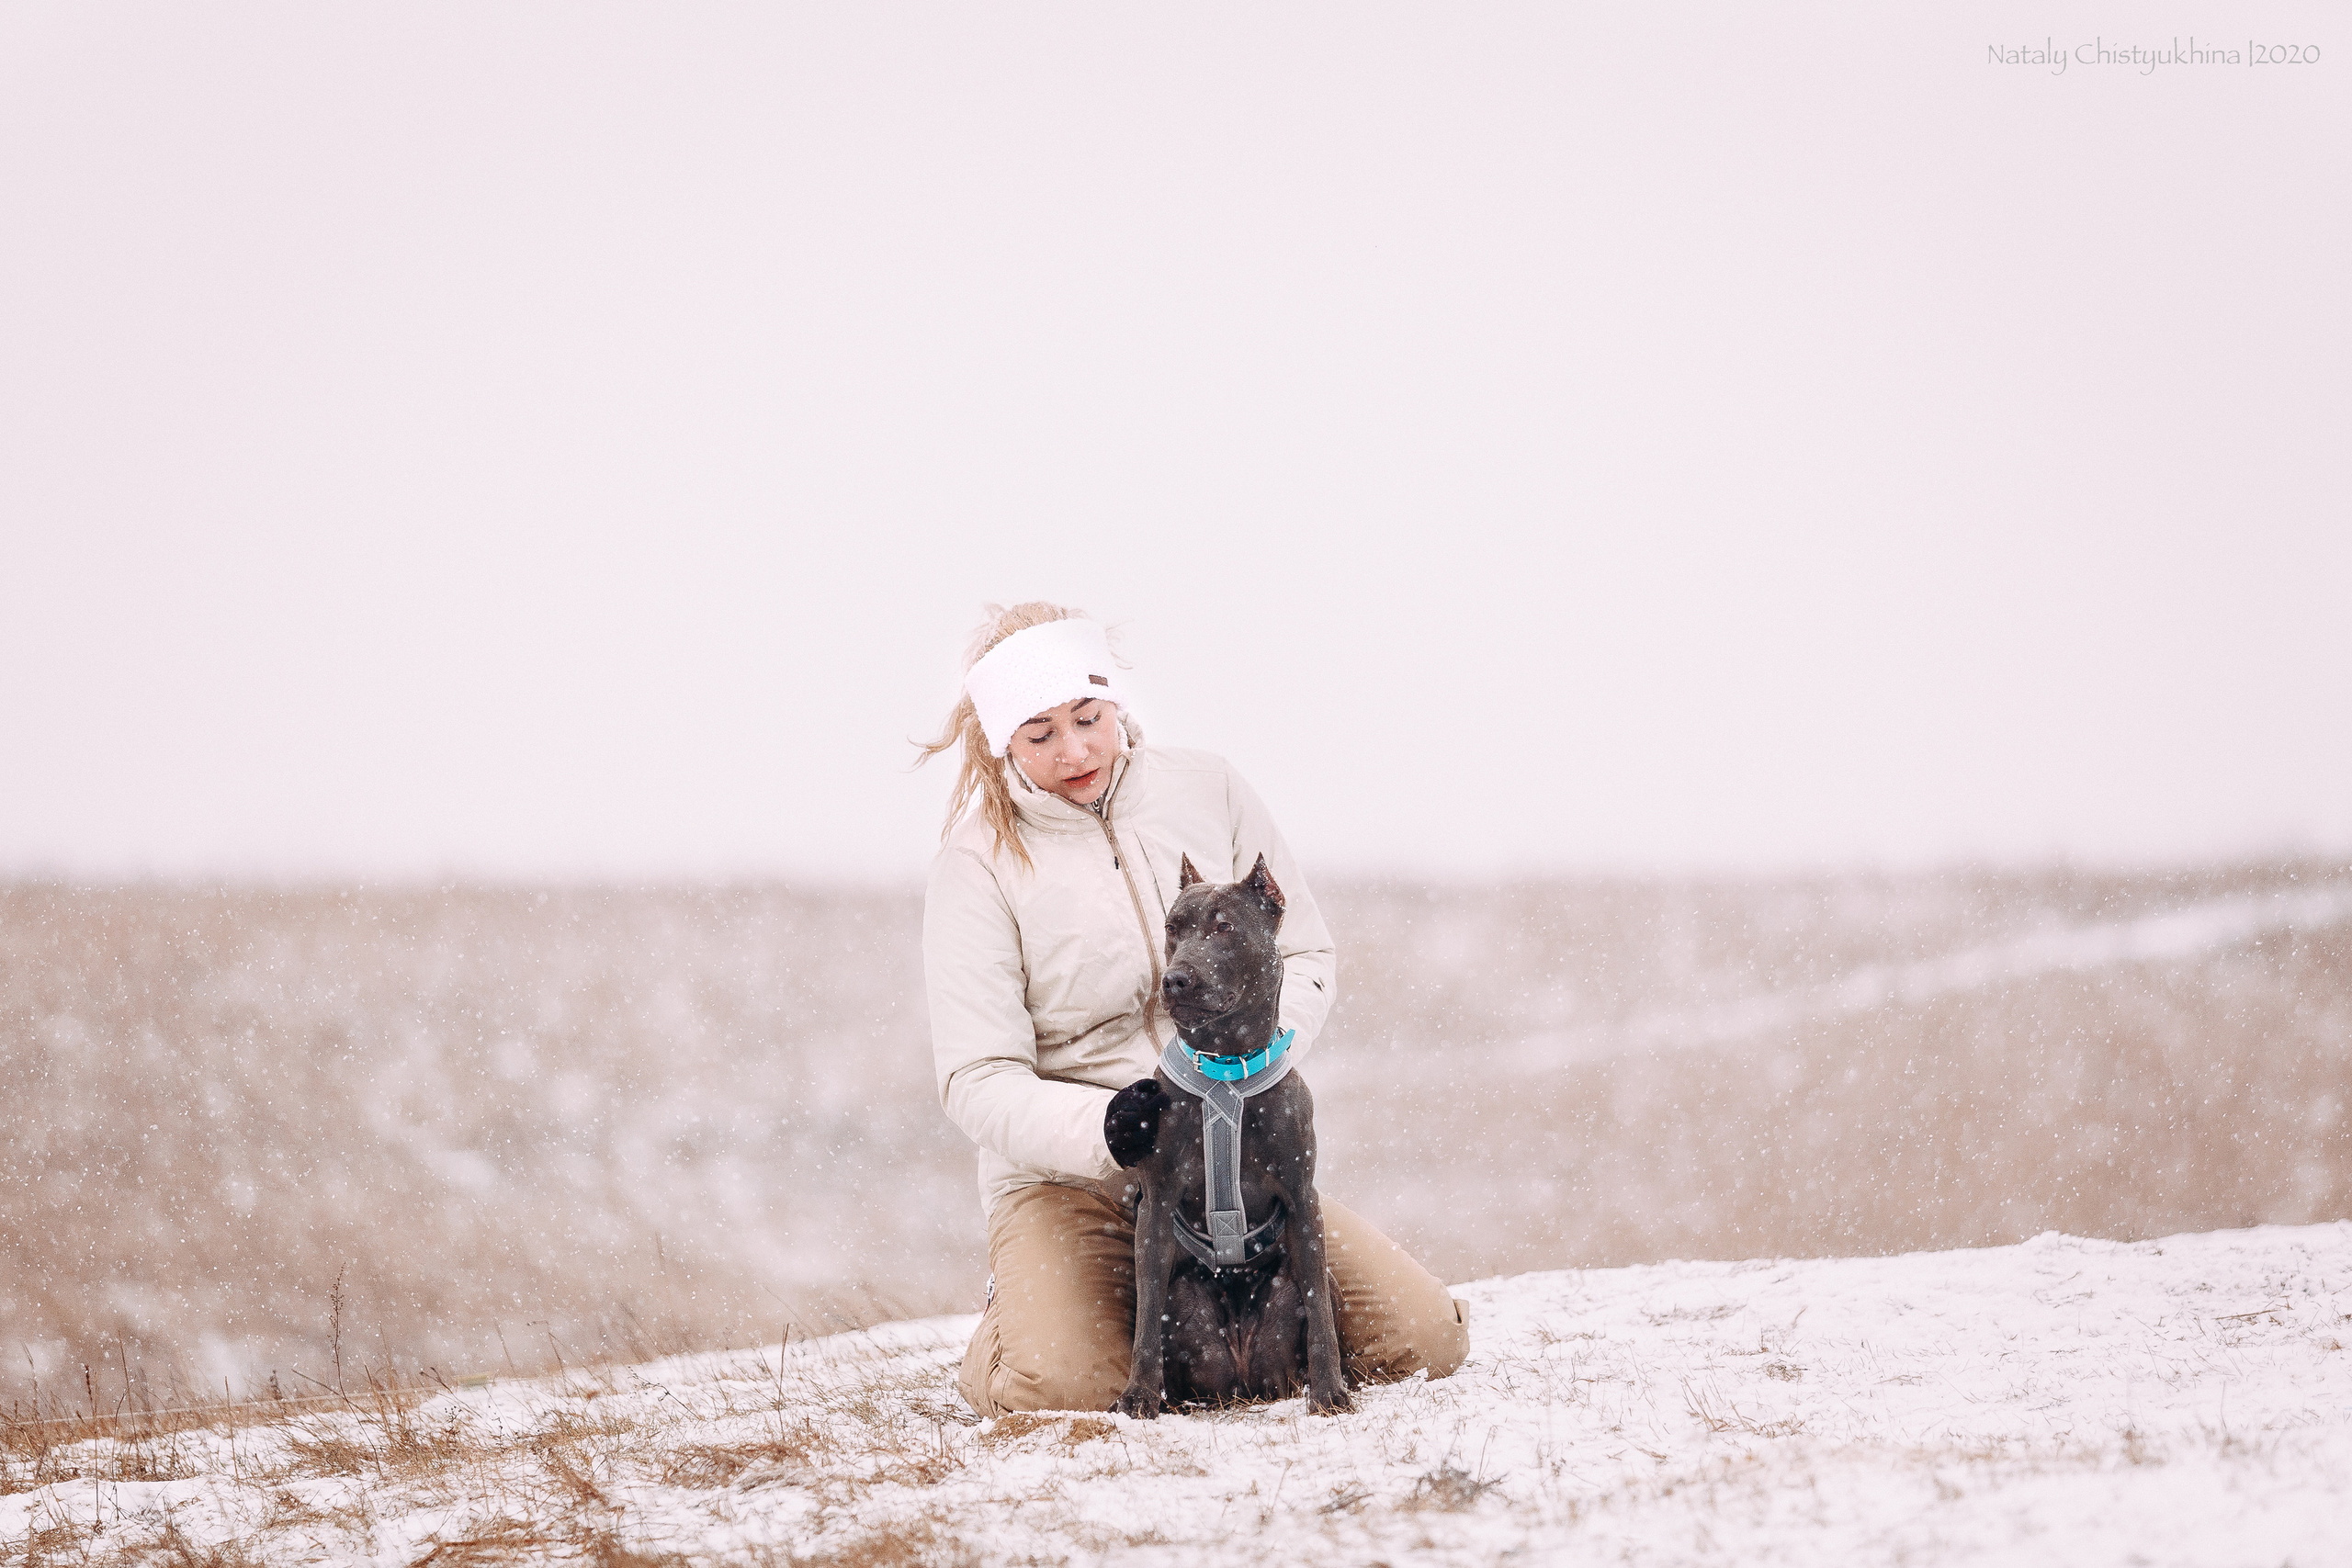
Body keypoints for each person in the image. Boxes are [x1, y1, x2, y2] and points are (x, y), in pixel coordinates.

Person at [920, 601, 1469, 1416]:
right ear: (1003, 739)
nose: (1074, 749)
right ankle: (1026, 1314)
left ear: (1115, 703)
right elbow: (976, 1076)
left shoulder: (1207, 786)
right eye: (1039, 735)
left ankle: (1132, 1316)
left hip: (1232, 1158)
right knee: (1064, 1387)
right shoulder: (978, 863)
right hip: (1075, 1178)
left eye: (1087, 717)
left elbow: (1307, 952)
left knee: (1424, 1341)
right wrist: (1104, 1125)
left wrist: (1263, 1055)